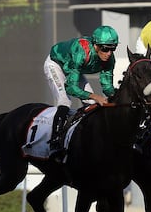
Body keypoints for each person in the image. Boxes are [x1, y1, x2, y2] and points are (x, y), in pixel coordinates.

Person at [43, 25, 119, 153]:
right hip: (56, 64)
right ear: (95, 45)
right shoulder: (81, 51)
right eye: (105, 49)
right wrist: (96, 96)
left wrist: (118, 98)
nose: (109, 53)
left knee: (92, 104)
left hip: (73, 70)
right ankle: (54, 141)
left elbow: (107, 88)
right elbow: (71, 88)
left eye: (113, 49)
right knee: (65, 101)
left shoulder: (110, 59)